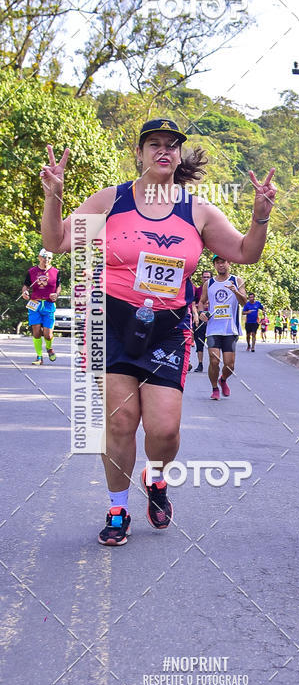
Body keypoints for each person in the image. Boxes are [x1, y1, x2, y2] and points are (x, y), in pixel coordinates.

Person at [40, 119, 276, 546]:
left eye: (172, 145)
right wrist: (54, 195)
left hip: (168, 328)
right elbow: (56, 241)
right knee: (121, 421)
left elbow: (245, 252)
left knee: (164, 430)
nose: (163, 151)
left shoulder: (198, 210)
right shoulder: (113, 199)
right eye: (154, 144)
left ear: (179, 155)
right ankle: (117, 508)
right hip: (113, 320)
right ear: (141, 153)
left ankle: (156, 478)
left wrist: (260, 218)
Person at [199, 255, 247, 399]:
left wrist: (235, 291)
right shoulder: (209, 283)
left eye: (223, 262)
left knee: (229, 365)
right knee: (214, 361)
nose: (221, 265)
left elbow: (244, 302)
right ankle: (214, 389)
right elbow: (202, 302)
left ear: (229, 263)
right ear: (214, 265)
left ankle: (223, 379)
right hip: (213, 328)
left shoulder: (237, 281)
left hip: (230, 329)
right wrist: (202, 313)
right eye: (218, 263)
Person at [21, 248, 61, 364]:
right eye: (44, 257)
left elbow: (58, 286)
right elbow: (26, 286)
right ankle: (39, 357)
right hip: (35, 304)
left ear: (51, 259)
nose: (46, 259)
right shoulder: (32, 271)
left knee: (48, 335)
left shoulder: (55, 272)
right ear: (39, 257)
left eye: (49, 257)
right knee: (36, 332)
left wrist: (56, 294)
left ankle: (49, 348)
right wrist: (25, 292)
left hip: (48, 304)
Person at [192, 269, 211, 371]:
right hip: (200, 319)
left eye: (208, 277)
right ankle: (200, 364)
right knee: (199, 342)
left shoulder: (215, 290)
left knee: (213, 343)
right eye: (204, 277)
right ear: (201, 278)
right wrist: (196, 315)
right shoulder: (197, 290)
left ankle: (213, 364)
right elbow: (193, 304)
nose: (206, 279)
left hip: (213, 319)